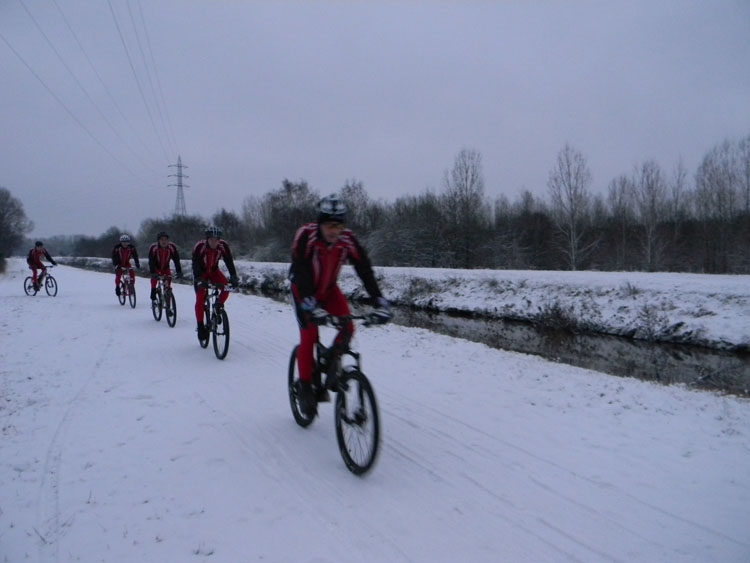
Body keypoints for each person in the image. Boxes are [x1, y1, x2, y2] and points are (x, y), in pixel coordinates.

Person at [289, 193, 392, 418]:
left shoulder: (347, 240)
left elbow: (364, 269)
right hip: (303, 290)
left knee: (348, 327)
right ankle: (305, 386)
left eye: (338, 225)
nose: (333, 230)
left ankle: (331, 365)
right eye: (328, 225)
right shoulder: (306, 236)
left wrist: (379, 301)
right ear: (320, 223)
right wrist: (311, 306)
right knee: (309, 335)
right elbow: (301, 270)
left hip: (328, 289)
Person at [192, 226, 238, 341]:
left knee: (226, 287)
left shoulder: (223, 246)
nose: (214, 242)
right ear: (207, 239)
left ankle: (218, 306)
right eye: (211, 239)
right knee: (200, 299)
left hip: (214, 271)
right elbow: (195, 264)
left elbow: (229, 261)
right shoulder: (199, 247)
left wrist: (233, 276)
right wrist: (198, 279)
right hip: (201, 273)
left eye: (216, 239)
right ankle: (200, 325)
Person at [148, 231, 183, 301]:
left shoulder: (172, 247)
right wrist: (153, 272)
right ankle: (153, 290)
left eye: (165, 240)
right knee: (154, 280)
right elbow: (151, 261)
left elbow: (176, 260)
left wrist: (179, 271)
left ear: (168, 241)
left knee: (168, 283)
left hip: (166, 268)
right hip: (156, 268)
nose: (164, 242)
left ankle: (168, 304)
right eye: (161, 240)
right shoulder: (154, 248)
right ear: (158, 241)